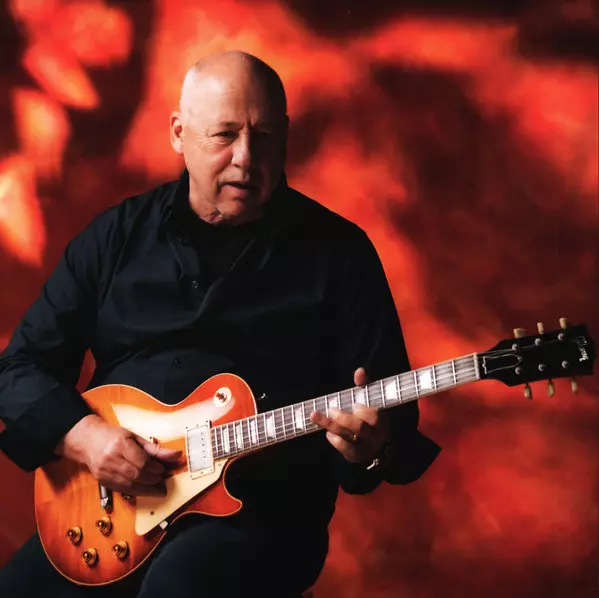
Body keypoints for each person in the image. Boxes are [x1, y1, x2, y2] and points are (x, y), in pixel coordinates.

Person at [0, 51, 441, 597]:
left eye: (265, 137)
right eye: (224, 135)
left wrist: (369, 449)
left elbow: (387, 432)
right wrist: (85, 438)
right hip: (107, 516)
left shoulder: (341, 254)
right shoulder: (115, 236)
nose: (246, 159)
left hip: (261, 520)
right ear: (178, 134)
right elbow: (17, 370)